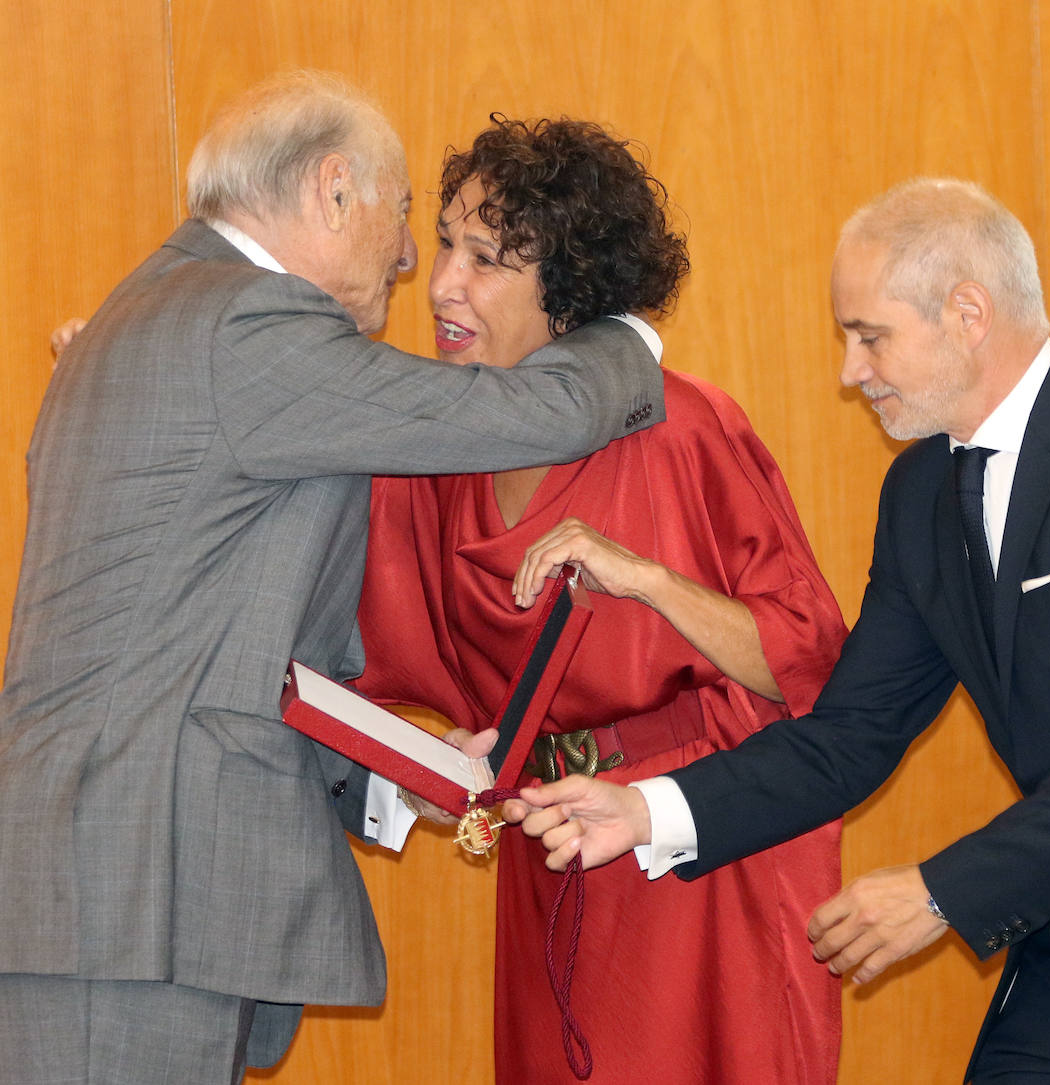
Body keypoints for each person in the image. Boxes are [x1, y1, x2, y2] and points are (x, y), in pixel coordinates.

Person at [512, 177, 1050, 1084]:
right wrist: (645, 808)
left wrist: (938, 894)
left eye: (869, 335)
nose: (851, 371)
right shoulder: (922, 493)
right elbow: (849, 736)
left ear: (969, 312)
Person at [0, 72, 665, 1085]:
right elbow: (525, 415)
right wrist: (626, 328)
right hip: (130, 894)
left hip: (113, 890)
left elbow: (224, 657)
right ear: (334, 190)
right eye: (405, 217)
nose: (408, 258)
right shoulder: (245, 323)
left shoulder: (159, 316)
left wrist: (402, 775)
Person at [352, 116, 848, 1084]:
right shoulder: (438, 449)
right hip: (549, 842)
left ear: (570, 292)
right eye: (447, 242)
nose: (445, 282)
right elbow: (347, 626)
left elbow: (812, 658)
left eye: (486, 257)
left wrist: (654, 582)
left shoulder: (681, 428)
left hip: (687, 844)